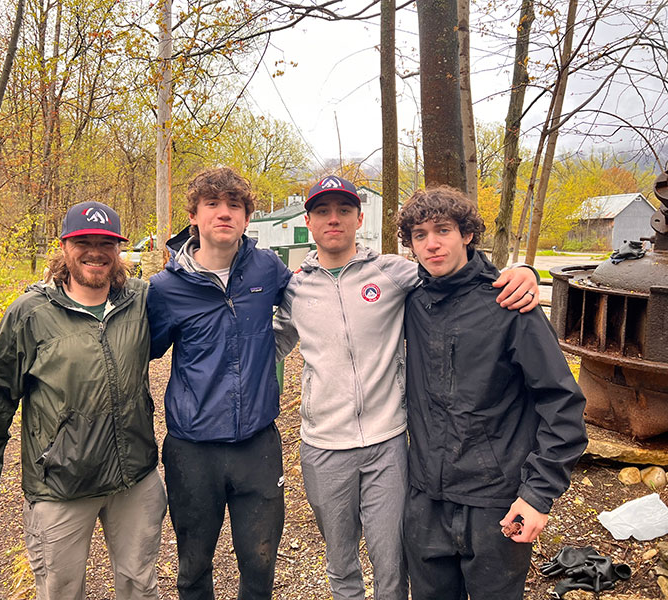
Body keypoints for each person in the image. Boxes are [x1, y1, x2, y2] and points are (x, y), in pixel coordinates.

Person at [273, 175, 541, 600]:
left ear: (359, 217)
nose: (334, 219)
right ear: (308, 220)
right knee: (340, 564)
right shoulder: (293, 287)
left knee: (392, 563)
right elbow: (272, 343)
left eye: (344, 210)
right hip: (322, 446)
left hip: (388, 445)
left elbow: (457, 271)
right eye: (322, 211)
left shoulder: (395, 273)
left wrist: (521, 272)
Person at [0, 201, 166, 600]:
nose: (95, 251)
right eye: (83, 241)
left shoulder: (140, 301)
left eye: (106, 242)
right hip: (61, 485)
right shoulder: (30, 313)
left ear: (118, 250)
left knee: (141, 585)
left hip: (133, 479)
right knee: (60, 591)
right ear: (64, 246)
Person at [397, 186, 587, 600]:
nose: (431, 244)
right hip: (426, 498)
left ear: (466, 234)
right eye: (419, 234)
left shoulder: (509, 303)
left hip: (494, 501)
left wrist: (538, 494)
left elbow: (562, 403)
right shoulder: (410, 301)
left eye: (442, 230)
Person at [147, 167, 290, 600]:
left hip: (257, 444)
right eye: (212, 204)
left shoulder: (268, 268)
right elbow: (139, 349)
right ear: (194, 216)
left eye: (234, 205)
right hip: (193, 449)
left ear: (248, 217)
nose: (224, 213)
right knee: (193, 565)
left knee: (260, 564)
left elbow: (321, 296)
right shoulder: (165, 289)